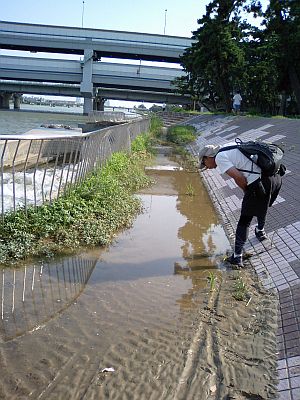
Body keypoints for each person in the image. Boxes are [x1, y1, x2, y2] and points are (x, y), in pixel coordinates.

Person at [198, 143, 283, 267]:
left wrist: (246, 191)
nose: (207, 168)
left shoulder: (219, 158)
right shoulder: (228, 146)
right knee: (262, 205)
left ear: (207, 157)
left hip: (261, 182)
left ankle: (237, 257)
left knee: (245, 220)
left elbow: (239, 178)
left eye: (204, 164)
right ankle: (260, 231)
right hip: (275, 177)